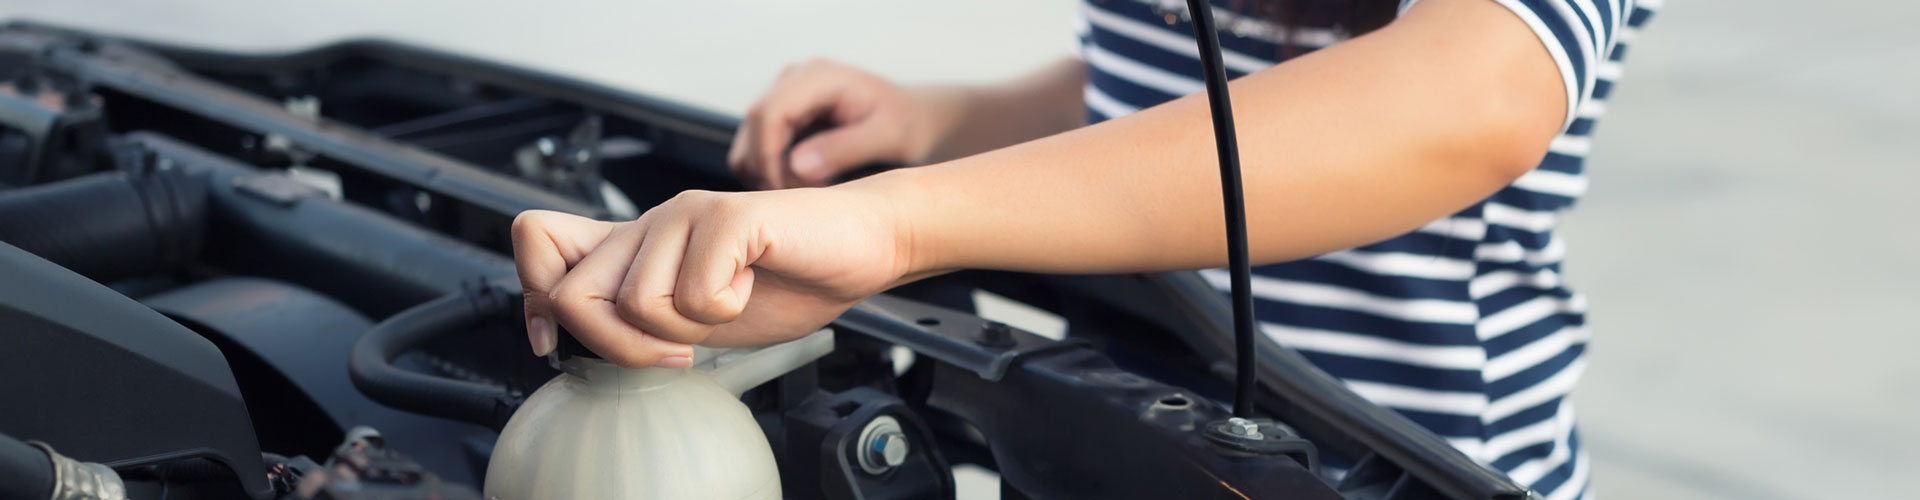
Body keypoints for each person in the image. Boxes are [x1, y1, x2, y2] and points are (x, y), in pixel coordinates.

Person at [509, 0, 1656, 497]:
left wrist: (899, 220)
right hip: (1142, 442)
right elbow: (1187, 87)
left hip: (1401, 462)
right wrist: (946, 120)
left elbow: (1467, 96)